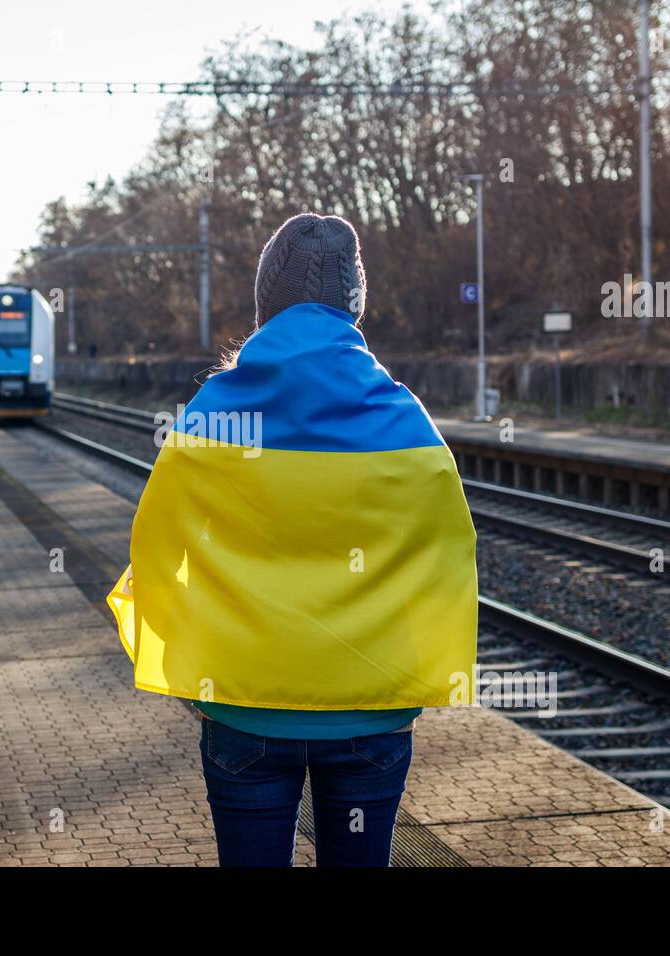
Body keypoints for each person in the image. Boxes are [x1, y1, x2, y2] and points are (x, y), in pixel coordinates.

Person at [108, 212, 477, 867]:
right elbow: (448, 558)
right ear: (354, 305)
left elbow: (158, 551)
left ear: (265, 303)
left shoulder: (215, 414)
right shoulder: (403, 417)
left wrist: (193, 677)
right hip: (373, 711)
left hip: (245, 710)